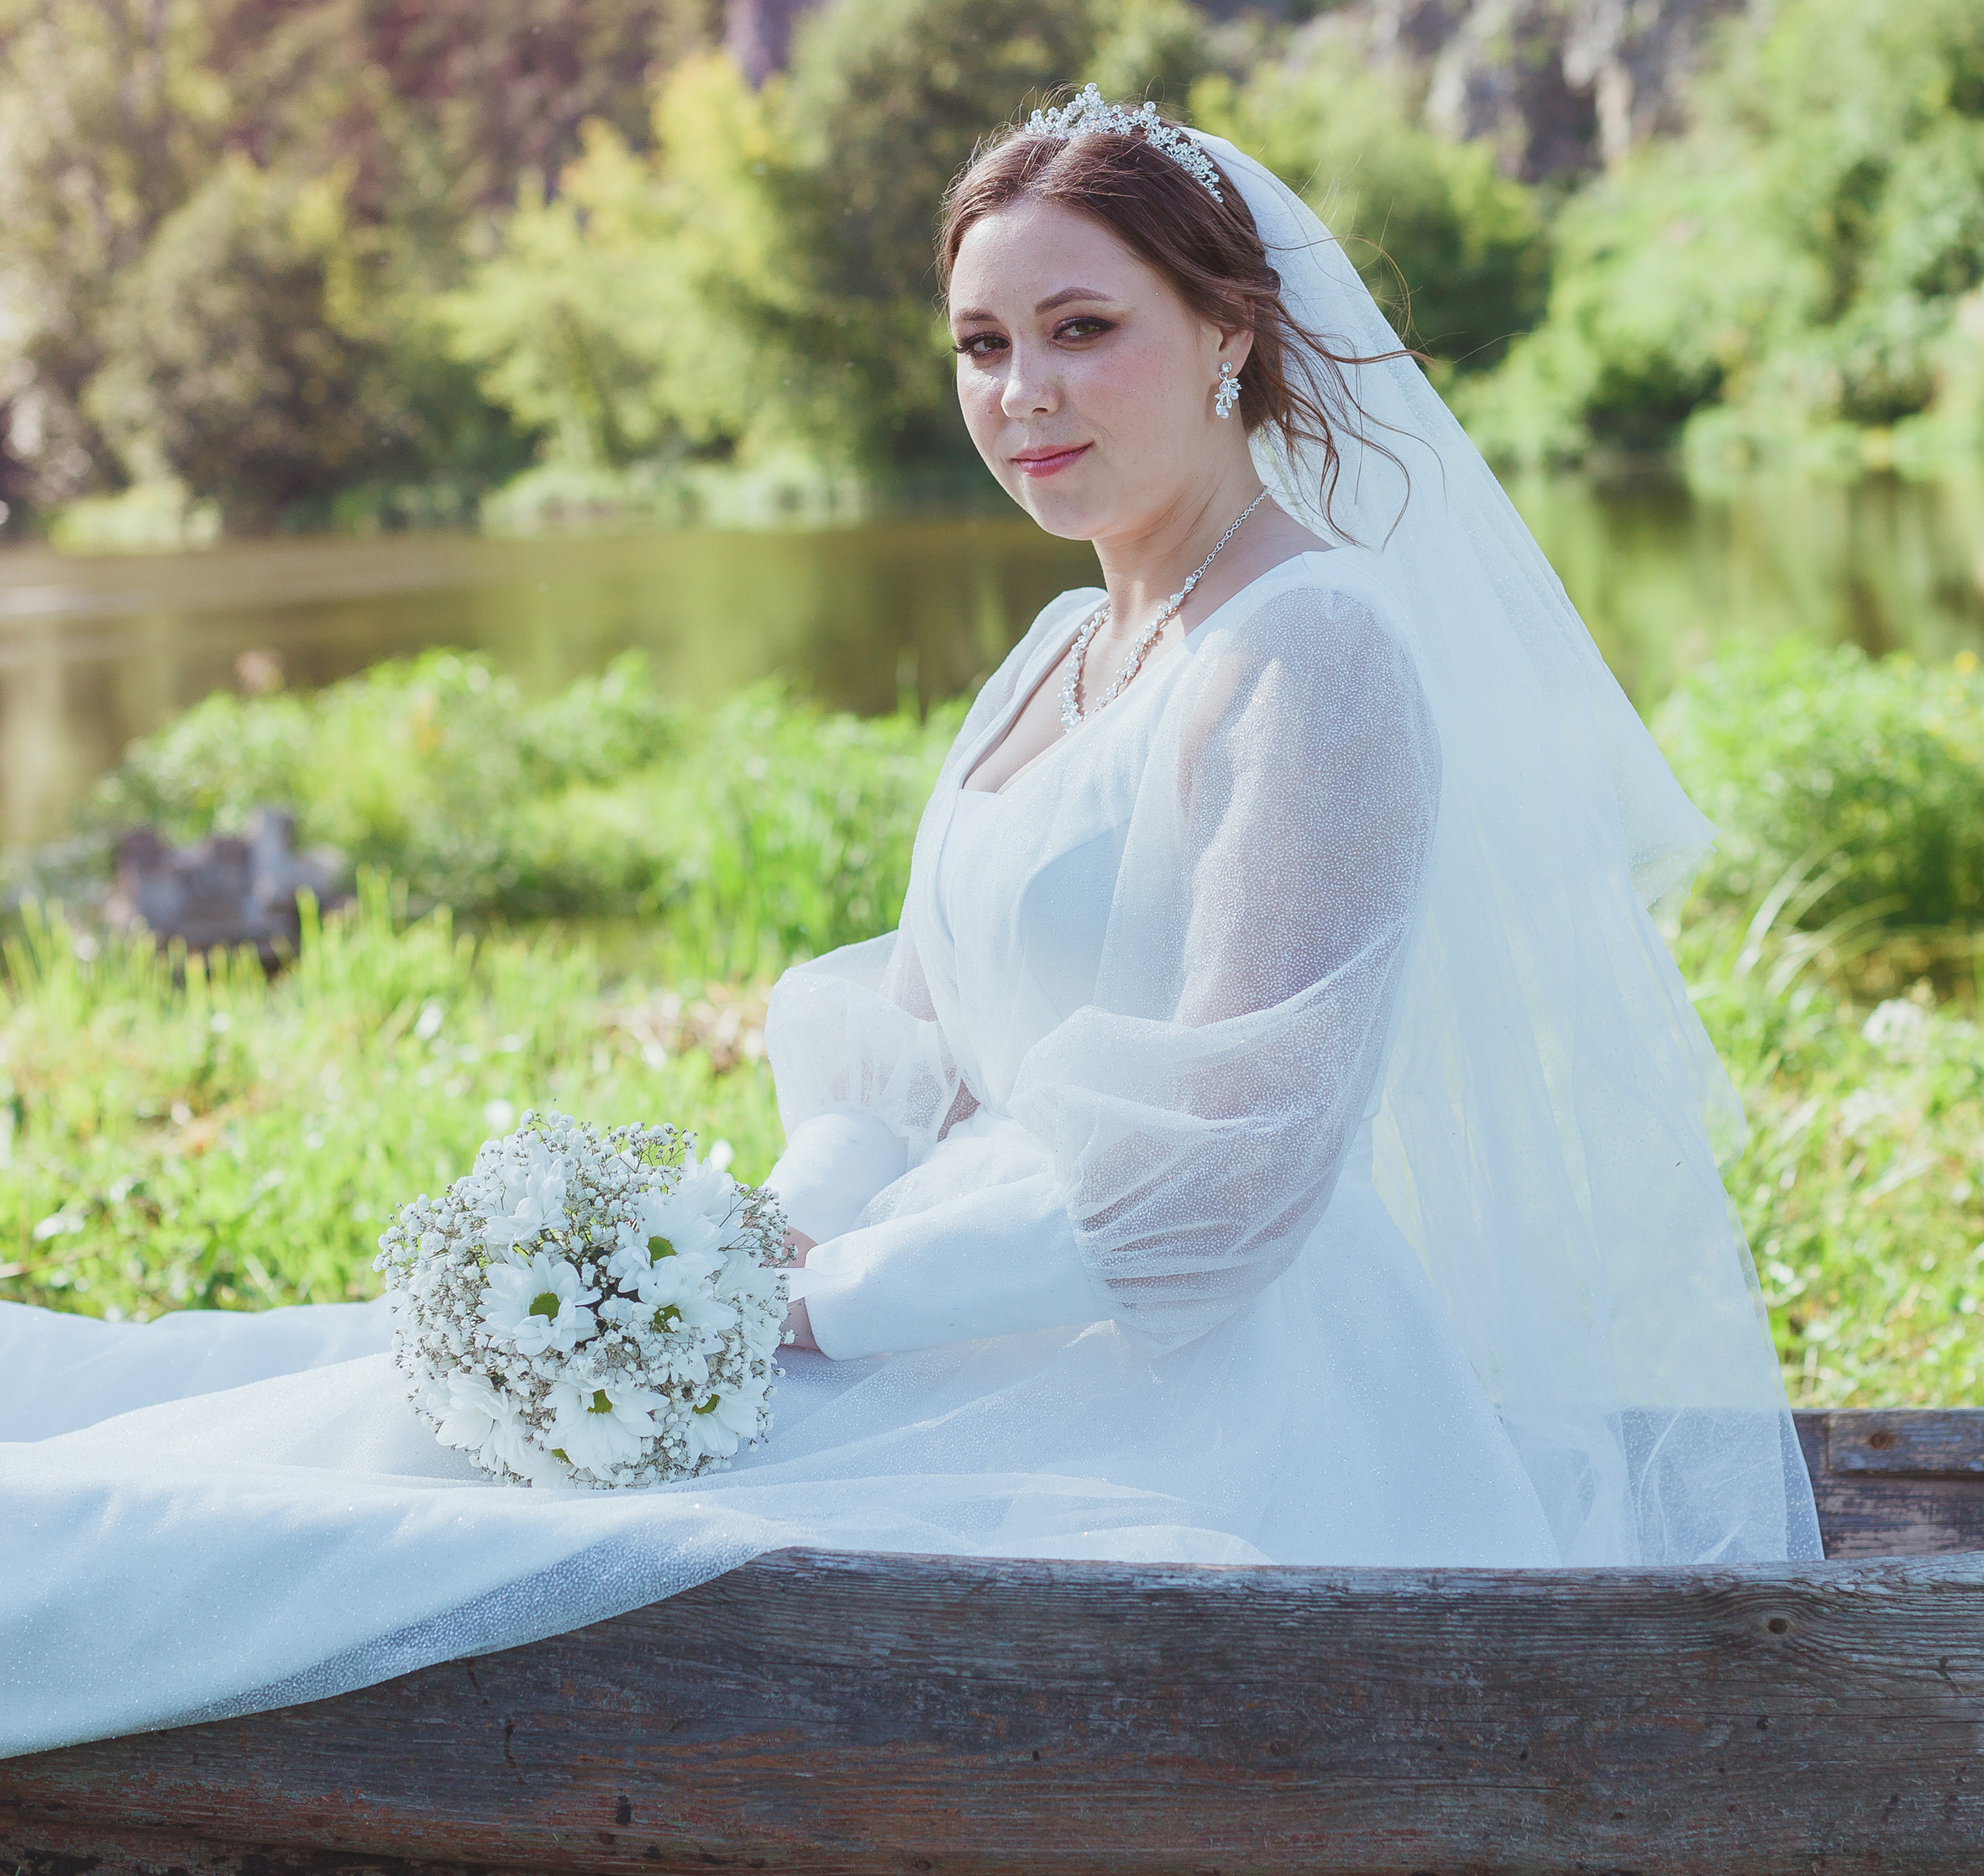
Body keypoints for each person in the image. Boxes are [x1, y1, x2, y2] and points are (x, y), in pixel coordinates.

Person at [0, 100, 1817, 1762]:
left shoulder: (1311, 653)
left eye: (1080, 329)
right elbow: (926, 1037)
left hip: (1183, 1366)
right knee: (369, 1393)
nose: (1023, 391)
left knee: (518, 1487)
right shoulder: (1061, 648)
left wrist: (830, 1308)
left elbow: (1234, 1166)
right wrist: (752, 1245)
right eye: (982, 344)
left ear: (1228, 334)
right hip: (951, 1280)